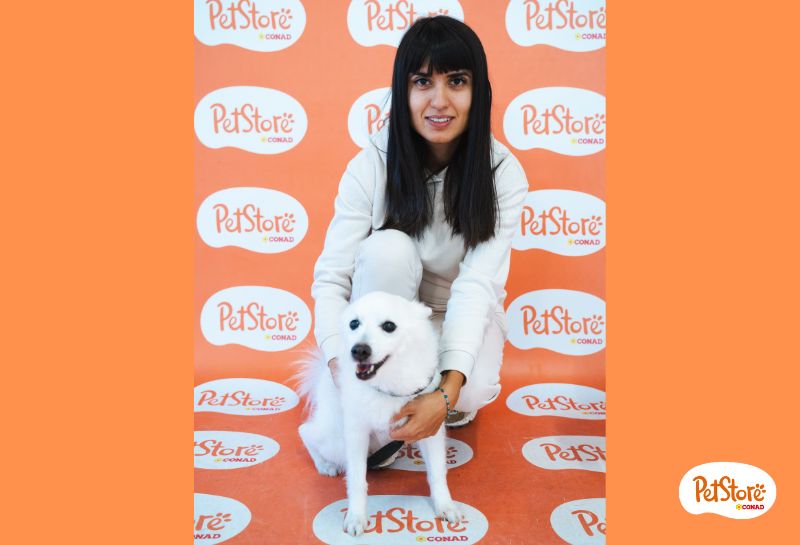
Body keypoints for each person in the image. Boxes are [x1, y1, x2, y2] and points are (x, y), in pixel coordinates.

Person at [311, 16, 528, 467]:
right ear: (403, 90)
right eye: (423, 81)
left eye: (457, 81)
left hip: (454, 312)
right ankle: (380, 401)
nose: (439, 100)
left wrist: (447, 392)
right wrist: (339, 364)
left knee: (473, 388)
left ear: (479, 92)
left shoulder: (502, 173)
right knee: (388, 247)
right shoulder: (372, 163)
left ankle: (434, 395)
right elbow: (332, 279)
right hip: (387, 317)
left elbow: (476, 287)